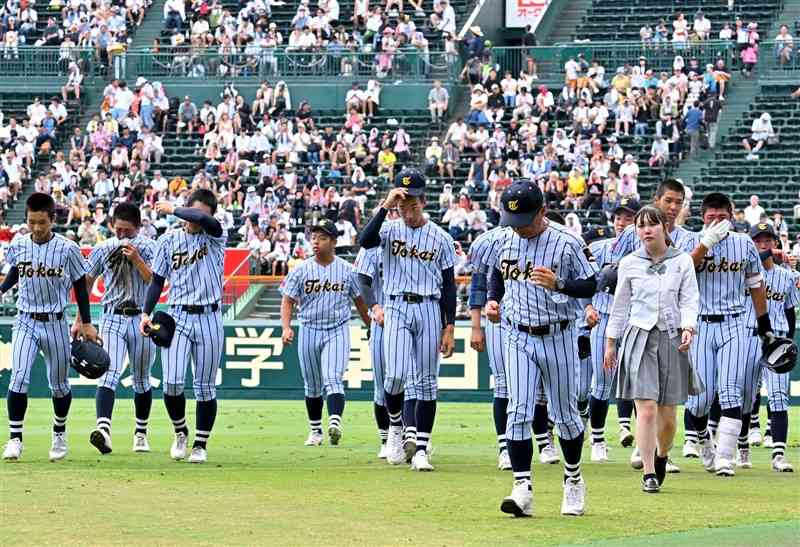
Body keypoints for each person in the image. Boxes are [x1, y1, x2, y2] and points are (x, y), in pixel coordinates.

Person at [477, 180, 599, 517]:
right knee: (518, 411)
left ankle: (573, 480)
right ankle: (521, 488)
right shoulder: (504, 238)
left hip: (558, 334)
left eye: (526, 220)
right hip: (516, 333)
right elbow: (498, 274)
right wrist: (491, 299)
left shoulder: (567, 242)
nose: (519, 228)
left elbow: (593, 282)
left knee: (565, 415)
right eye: (513, 220)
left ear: (543, 211)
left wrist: (559, 283)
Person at [358, 168, 457, 471]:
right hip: (397, 305)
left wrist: (449, 326)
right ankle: (397, 430)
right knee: (396, 375)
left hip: (428, 306)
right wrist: (385, 206)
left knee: (427, 383)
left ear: (423, 201)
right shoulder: (388, 230)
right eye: (403, 203)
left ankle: (423, 448)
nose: (407, 209)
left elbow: (449, 285)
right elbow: (365, 240)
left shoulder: (441, 237)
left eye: (412, 203)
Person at [604, 206, 700, 493]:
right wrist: (611, 342)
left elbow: (690, 300)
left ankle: (662, 455)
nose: (646, 230)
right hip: (639, 337)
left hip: (672, 338)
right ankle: (647, 472)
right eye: (641, 226)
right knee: (645, 409)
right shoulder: (629, 263)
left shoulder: (682, 261)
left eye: (652, 224)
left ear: (664, 228)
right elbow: (619, 306)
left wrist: (688, 327)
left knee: (668, 417)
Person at [680, 192, 772, 477]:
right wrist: (706, 243)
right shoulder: (689, 240)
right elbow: (681, 273)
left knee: (731, 390)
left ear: (732, 217)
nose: (717, 222)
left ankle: (725, 457)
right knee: (698, 400)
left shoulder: (744, 243)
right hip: (700, 324)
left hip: (734, 321)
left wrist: (764, 324)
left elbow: (756, 285)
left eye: (722, 218)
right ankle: (705, 441)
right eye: (711, 218)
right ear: (703, 218)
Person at [1, 193, 99, 462]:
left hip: (56, 322)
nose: (36, 228)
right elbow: (16, 272)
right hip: (25, 320)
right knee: (19, 377)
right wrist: (1, 289)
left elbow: (80, 284)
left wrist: (86, 322)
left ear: (52, 219)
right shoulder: (19, 243)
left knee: (58, 385)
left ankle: (59, 433)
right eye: (32, 222)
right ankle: (15, 438)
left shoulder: (68, 248)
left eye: (41, 222)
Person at [139, 190, 227, 464]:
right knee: (173, 382)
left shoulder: (215, 236)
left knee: (204, 386)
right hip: (178, 316)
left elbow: (202, 218)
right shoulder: (167, 241)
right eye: (192, 211)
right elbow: (157, 281)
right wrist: (145, 312)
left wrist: (172, 209)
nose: (196, 218)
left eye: (202, 213)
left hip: (210, 316)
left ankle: (200, 444)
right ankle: (180, 431)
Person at [280, 219, 370, 447]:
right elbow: (288, 300)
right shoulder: (301, 269)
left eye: (322, 237)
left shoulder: (348, 270)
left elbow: (360, 301)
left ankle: (335, 422)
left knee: (333, 378)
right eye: (313, 237)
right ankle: (315, 430)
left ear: (333, 241)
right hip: (309, 329)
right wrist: (286, 327)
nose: (316, 241)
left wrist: (370, 325)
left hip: (337, 329)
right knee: (312, 385)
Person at [82, 202, 157, 454]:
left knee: (141, 378)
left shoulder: (148, 246)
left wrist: (136, 259)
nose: (122, 235)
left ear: (138, 227)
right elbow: (87, 280)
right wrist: (81, 319)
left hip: (142, 318)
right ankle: (103, 431)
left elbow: (154, 280)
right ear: (112, 226)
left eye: (127, 230)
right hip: (112, 315)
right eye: (118, 230)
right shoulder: (103, 247)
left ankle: (141, 433)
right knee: (108, 372)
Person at [582, 198, 640, 464]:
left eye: (628, 218)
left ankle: (644, 442)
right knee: (602, 383)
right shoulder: (598, 248)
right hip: (604, 319)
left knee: (640, 383)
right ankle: (597, 439)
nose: (621, 222)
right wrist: (588, 306)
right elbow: (584, 282)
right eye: (618, 217)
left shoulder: (644, 251)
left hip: (635, 320)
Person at [740, 223, 797, 472]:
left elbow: (789, 311)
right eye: (759, 241)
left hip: (776, 340)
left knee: (778, 397)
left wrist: (789, 341)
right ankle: (742, 449)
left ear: (775, 242)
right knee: (743, 395)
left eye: (768, 241)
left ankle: (778, 455)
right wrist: (767, 255)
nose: (763, 245)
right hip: (748, 336)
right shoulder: (741, 271)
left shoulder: (787, 276)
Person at [466, 226, 512, 471]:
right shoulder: (490, 242)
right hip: (499, 317)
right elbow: (478, 285)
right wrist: (475, 325)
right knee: (503, 383)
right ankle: (505, 446)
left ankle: (542, 439)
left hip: (535, 316)